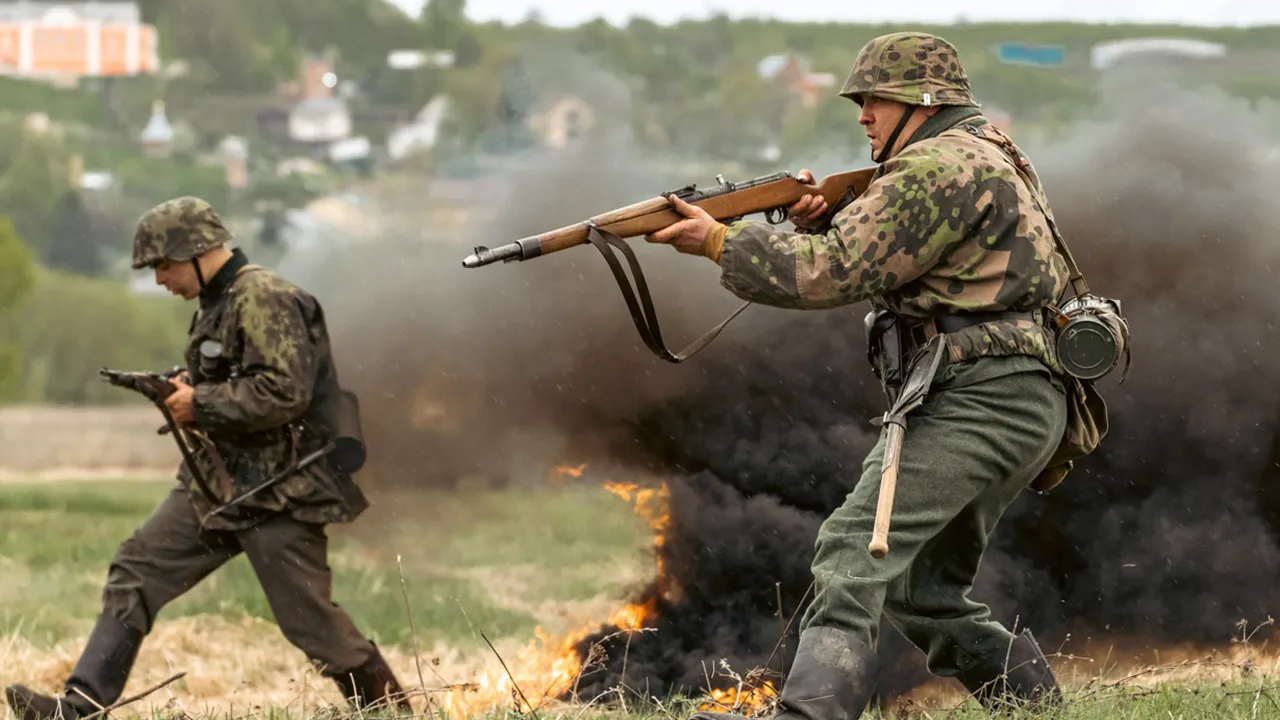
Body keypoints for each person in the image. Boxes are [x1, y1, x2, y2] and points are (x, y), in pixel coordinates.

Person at [648, 32, 1074, 718]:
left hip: (980, 395)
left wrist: (719, 240)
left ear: (920, 102)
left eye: (874, 99)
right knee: (921, 592)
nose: (862, 115)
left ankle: (809, 713)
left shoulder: (933, 167)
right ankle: (1038, 708)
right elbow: (922, 256)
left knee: (850, 552)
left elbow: (829, 272)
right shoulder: (989, 153)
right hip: (1024, 398)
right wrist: (832, 216)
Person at [4, 197, 412, 719]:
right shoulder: (218, 302)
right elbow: (241, 379)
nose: (158, 280)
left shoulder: (264, 297)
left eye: (162, 266)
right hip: (216, 485)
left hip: (279, 491)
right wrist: (188, 388)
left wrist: (199, 402)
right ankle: (78, 706)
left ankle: (396, 711)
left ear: (195, 251)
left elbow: (285, 392)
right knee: (136, 572)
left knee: (311, 624)